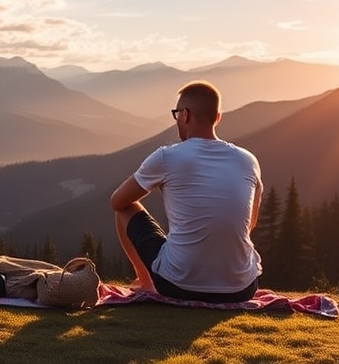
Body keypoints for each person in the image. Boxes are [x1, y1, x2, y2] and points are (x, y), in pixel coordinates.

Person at [110, 80, 262, 303]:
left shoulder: (166, 157)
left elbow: (117, 201)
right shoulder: (248, 161)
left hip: (176, 285)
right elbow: (250, 223)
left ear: (185, 115)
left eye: (176, 114)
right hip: (241, 288)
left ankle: (145, 282)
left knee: (125, 209)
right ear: (217, 117)